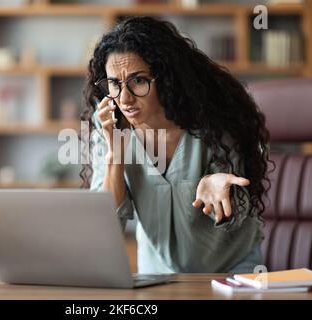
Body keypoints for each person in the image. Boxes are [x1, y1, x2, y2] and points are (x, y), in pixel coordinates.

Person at [80, 16, 271, 274]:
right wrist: (115, 154)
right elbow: (106, 228)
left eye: (138, 80)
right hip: (157, 274)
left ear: (166, 77)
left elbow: (235, 216)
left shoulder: (213, 120)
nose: (124, 98)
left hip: (229, 270)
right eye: (114, 83)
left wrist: (219, 188)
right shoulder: (109, 123)